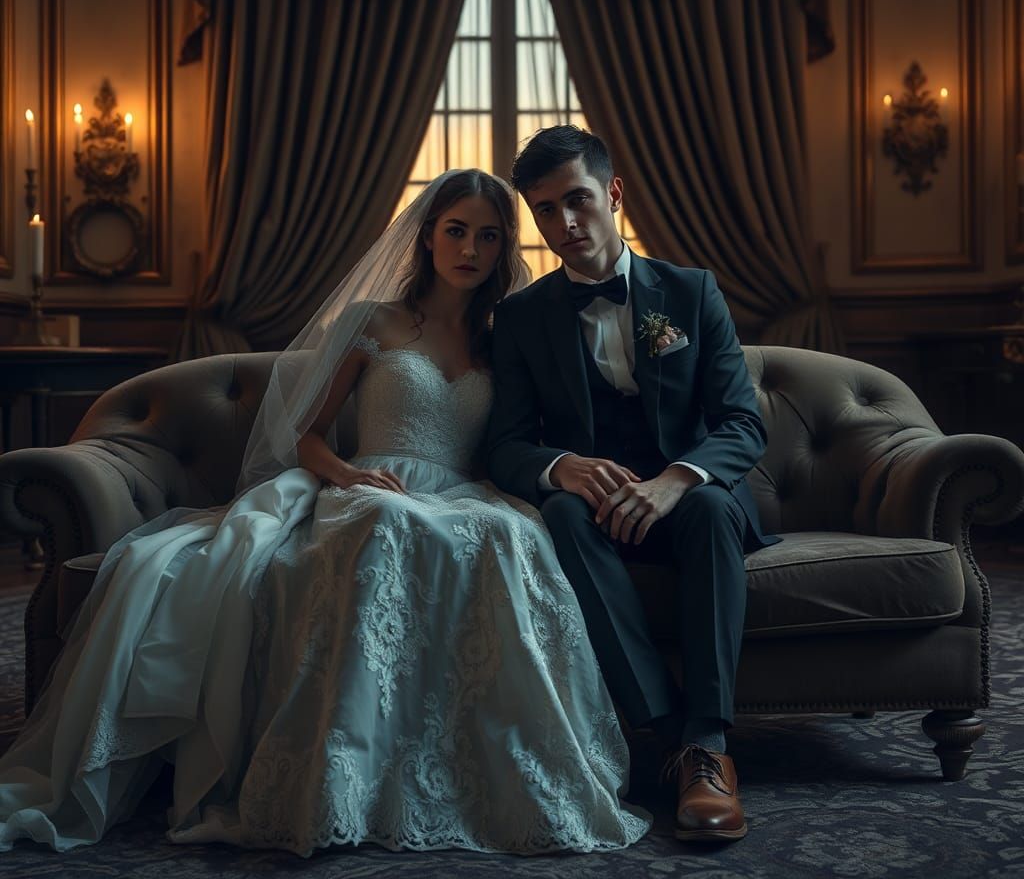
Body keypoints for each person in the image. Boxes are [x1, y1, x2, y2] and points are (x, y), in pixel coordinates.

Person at [0, 169, 650, 857]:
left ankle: (487, 769)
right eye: (455, 230)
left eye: (488, 237)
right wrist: (349, 475)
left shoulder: (502, 337)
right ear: (428, 236)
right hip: (368, 482)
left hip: (465, 491)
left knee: (505, 534)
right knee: (391, 524)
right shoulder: (373, 323)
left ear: (502, 251)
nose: (470, 249)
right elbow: (306, 436)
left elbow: (516, 438)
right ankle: (344, 774)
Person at [487, 126, 781, 844]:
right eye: (545, 211)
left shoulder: (690, 290)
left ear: (612, 194)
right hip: (596, 507)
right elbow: (504, 444)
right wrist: (562, 467)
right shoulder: (522, 318)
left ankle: (708, 745)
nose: (564, 225)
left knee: (711, 507)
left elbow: (742, 421)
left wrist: (676, 479)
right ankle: (668, 733)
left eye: (578, 201)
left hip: (691, 498)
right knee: (557, 512)